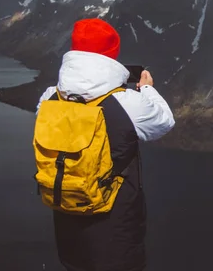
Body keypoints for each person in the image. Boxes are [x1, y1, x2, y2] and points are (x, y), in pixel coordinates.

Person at [35, 18, 175, 271]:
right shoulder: (127, 103)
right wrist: (147, 90)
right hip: (116, 228)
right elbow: (164, 123)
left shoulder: (49, 97)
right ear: (111, 57)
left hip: (67, 223)